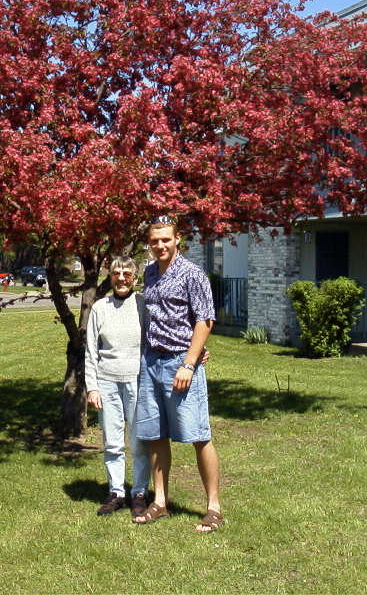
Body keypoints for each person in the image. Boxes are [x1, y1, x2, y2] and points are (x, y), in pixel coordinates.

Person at [133, 215, 224, 532]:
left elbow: (205, 320)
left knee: (199, 435)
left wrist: (190, 361)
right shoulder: (149, 272)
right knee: (156, 435)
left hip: (179, 365)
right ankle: (160, 501)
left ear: (177, 240)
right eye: (155, 240)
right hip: (151, 362)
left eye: (165, 239)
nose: (160, 245)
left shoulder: (192, 274)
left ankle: (213, 507)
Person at [85, 256, 151, 517]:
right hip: (107, 381)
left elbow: (153, 342)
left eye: (127, 273)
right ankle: (116, 492)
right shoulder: (100, 308)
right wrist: (92, 387)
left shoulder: (142, 305)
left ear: (135, 277)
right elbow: (91, 350)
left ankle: (139, 492)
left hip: (137, 380)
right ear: (110, 276)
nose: (122, 278)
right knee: (112, 441)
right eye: (116, 273)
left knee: (139, 442)